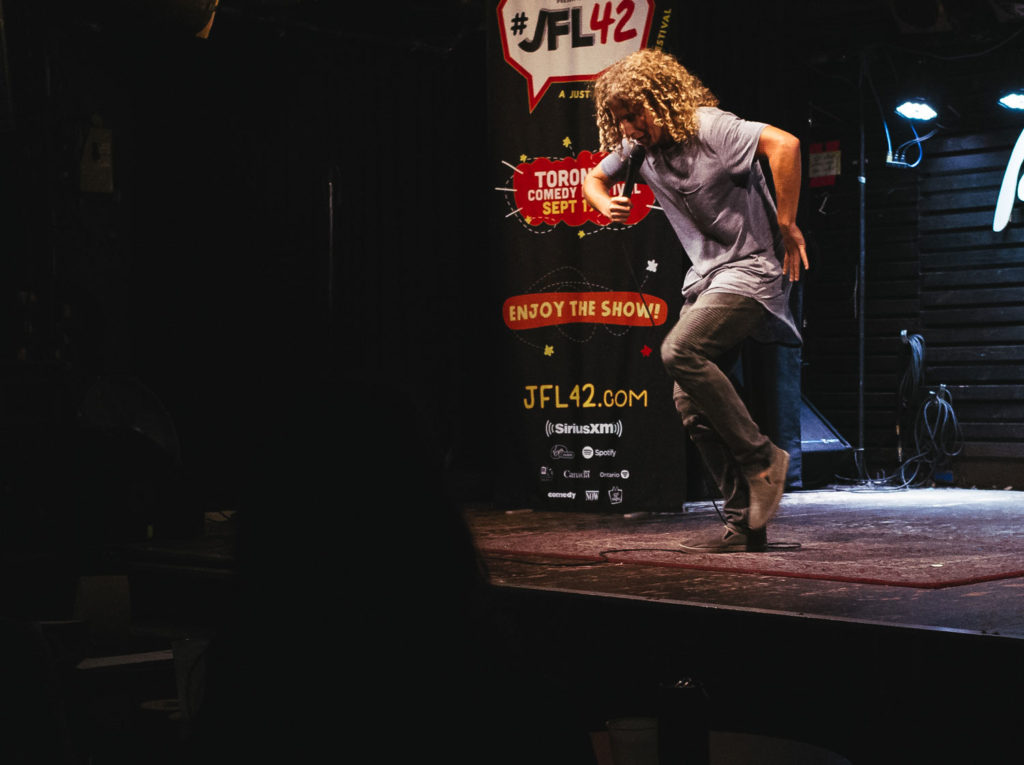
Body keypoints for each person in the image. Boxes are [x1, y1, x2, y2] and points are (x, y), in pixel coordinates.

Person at [583, 48, 808, 552]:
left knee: (679, 351)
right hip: (707, 279)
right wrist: (606, 205)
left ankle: (762, 460)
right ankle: (744, 523)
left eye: (636, 113)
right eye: (621, 119)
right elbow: (593, 177)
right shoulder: (638, 150)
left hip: (751, 269)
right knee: (690, 403)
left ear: (661, 99)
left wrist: (788, 224)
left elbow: (785, 146)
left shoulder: (712, 128)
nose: (631, 127)